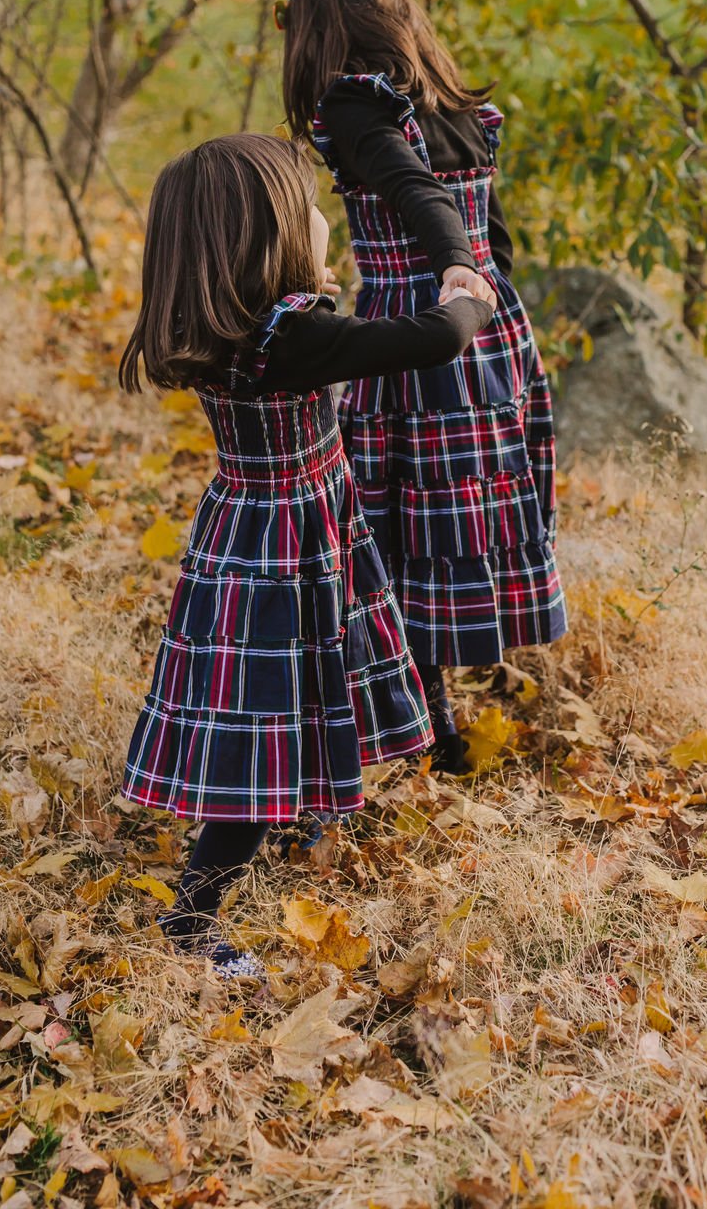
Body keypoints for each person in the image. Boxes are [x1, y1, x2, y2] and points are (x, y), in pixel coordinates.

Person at [118, 133, 493, 977]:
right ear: (270, 233)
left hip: (252, 530)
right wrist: (468, 291)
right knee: (261, 727)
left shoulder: (228, 324)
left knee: (286, 700)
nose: (326, 224)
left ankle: (308, 805)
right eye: (313, 211)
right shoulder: (292, 335)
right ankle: (191, 919)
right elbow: (431, 339)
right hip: (288, 546)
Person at [280, 0, 568, 770]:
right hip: (491, 325)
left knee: (393, 519)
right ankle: (430, 703)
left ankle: (423, 710)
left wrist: (450, 269)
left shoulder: (356, 105)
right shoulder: (455, 110)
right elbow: (494, 230)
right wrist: (486, 283)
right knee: (437, 513)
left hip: (425, 325)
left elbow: (419, 196)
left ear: (324, 34)